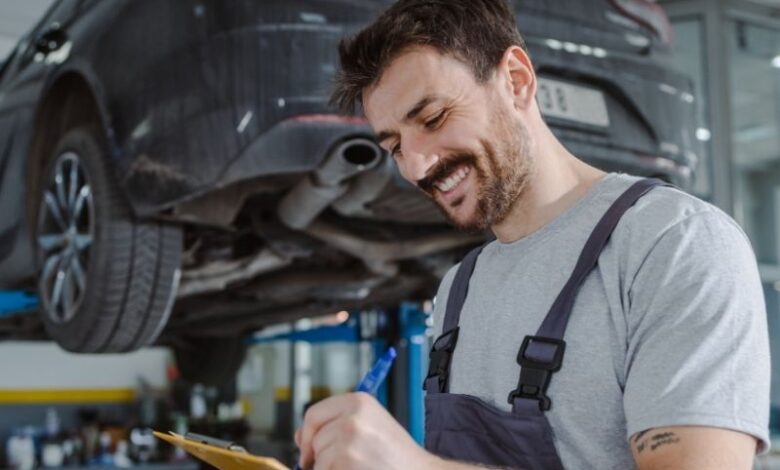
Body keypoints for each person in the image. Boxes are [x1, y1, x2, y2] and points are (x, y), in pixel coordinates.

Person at [294, 0, 771, 468]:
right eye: (396, 145)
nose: (416, 165)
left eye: (434, 118)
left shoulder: (672, 244)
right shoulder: (461, 287)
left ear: (516, 80)